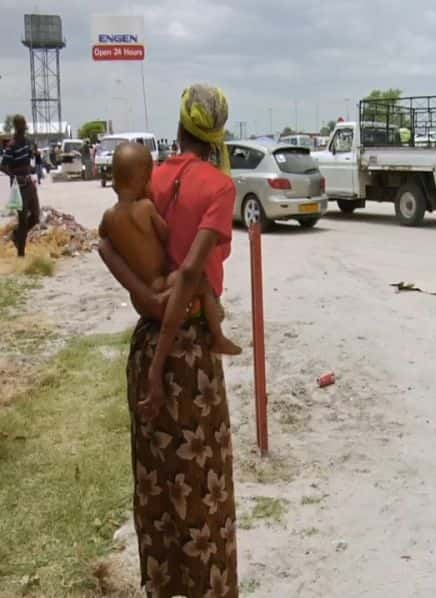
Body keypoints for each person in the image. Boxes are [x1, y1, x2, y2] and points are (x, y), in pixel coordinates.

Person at [98, 84, 239, 596]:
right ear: (218, 133)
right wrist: (161, 367)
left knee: (156, 490)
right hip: (189, 357)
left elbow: (104, 245)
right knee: (204, 495)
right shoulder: (219, 189)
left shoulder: (145, 179)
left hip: (146, 343)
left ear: (179, 126)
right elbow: (188, 279)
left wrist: (145, 301)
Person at [98, 140, 242, 372]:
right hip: (165, 287)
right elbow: (166, 236)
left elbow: (104, 241)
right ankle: (218, 337)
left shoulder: (109, 218)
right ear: (146, 181)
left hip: (142, 299)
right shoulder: (146, 208)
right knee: (202, 284)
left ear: (113, 181)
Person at [1, 115, 40, 258]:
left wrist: (31, 167)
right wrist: (14, 176)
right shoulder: (11, 145)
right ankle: (21, 253)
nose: (25, 128)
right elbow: (3, 165)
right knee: (23, 220)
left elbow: (28, 160)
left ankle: (16, 235)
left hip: (29, 183)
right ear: (18, 127)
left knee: (35, 217)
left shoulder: (27, 142)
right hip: (19, 187)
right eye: (22, 126)